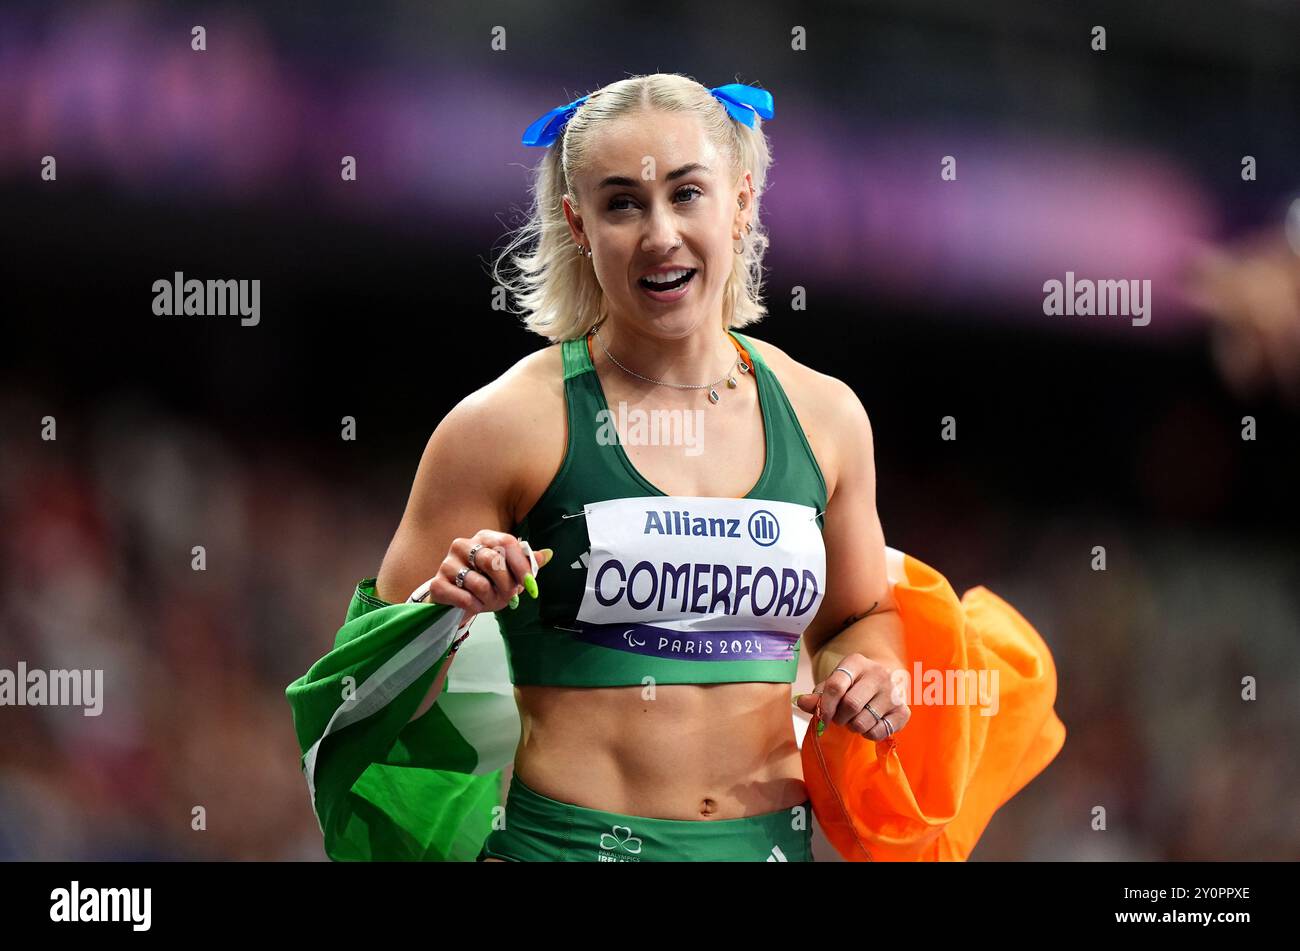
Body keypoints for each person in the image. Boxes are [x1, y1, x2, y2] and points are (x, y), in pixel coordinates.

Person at [370, 74, 908, 862]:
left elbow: (861, 616)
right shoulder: (504, 425)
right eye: (623, 203)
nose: (660, 234)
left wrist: (876, 673)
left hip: (768, 846)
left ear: (742, 200)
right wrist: (441, 608)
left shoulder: (827, 418)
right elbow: (372, 692)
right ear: (577, 222)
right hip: (564, 847)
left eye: (687, 193)